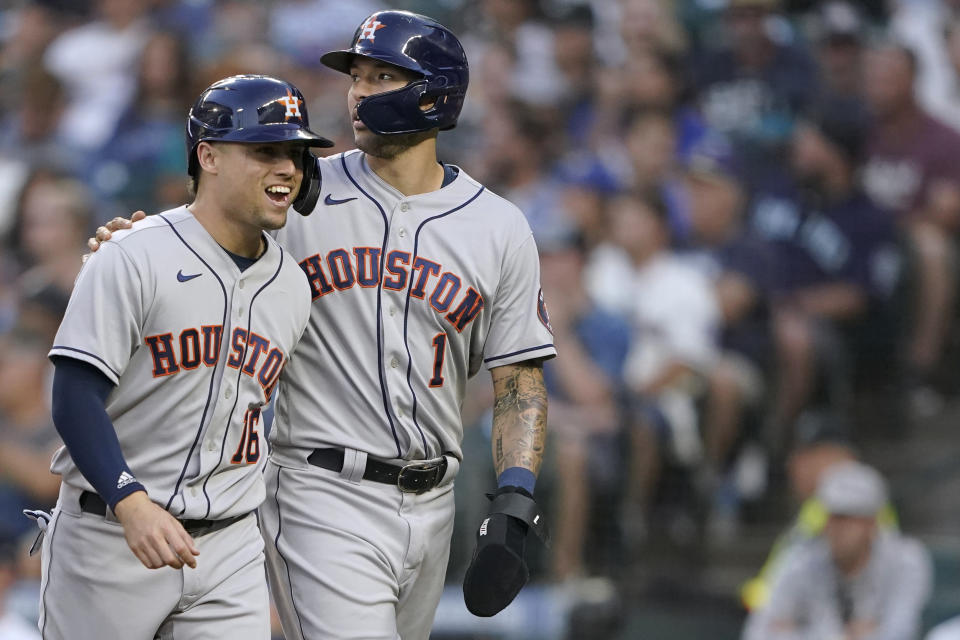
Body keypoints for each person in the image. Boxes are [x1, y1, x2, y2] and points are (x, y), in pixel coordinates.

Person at [93, 11, 555, 639]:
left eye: (383, 76)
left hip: (436, 499)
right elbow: (196, 234)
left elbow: (519, 380)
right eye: (356, 77)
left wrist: (515, 497)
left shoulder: (498, 227)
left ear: (435, 91)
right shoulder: (300, 187)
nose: (360, 92)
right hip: (320, 485)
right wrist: (134, 241)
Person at [39, 75, 331, 639]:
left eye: (294, 154)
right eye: (265, 150)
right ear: (209, 156)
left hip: (228, 546)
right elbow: (74, 398)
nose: (287, 169)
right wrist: (128, 499)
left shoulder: (293, 287)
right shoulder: (133, 254)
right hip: (109, 536)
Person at [742, 461, 932, 640]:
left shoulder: (905, 559)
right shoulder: (801, 559)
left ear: (871, 524)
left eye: (848, 518)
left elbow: (900, 632)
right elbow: (757, 632)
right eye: (832, 517)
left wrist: (797, 631)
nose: (837, 528)